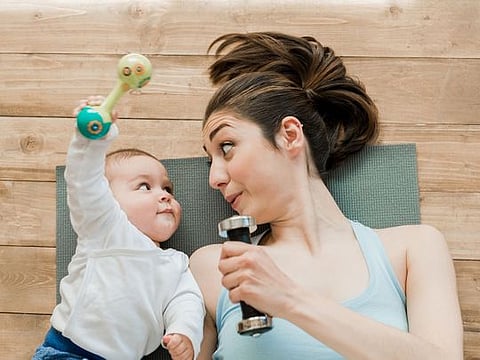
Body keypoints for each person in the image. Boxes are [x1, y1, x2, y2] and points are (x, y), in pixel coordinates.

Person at [189, 32, 464, 359]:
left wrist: (289, 299)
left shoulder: (412, 248)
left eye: (227, 147)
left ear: (289, 136)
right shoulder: (212, 267)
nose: (214, 178)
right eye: (210, 160)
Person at [33, 96, 204, 360]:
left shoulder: (176, 263)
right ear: (109, 199)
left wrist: (185, 332)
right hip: (69, 352)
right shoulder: (105, 227)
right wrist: (90, 140)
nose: (165, 195)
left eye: (167, 188)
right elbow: (84, 183)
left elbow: (188, 301)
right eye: (145, 186)